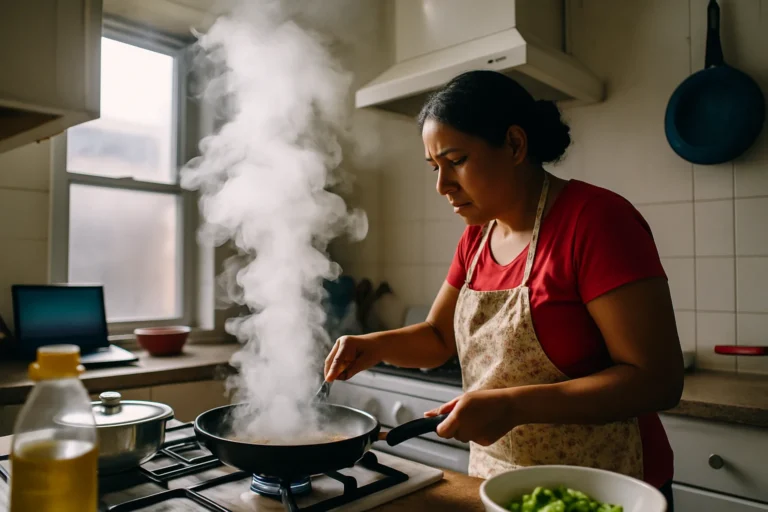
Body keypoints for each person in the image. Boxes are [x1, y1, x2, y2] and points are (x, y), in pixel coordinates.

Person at [324, 70, 683, 508]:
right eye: (435, 167)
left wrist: (512, 406)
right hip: (497, 484)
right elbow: (439, 338)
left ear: (515, 145)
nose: (442, 185)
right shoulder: (477, 238)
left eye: (456, 161)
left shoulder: (596, 221)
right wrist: (373, 345)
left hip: (604, 484)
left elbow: (657, 381)